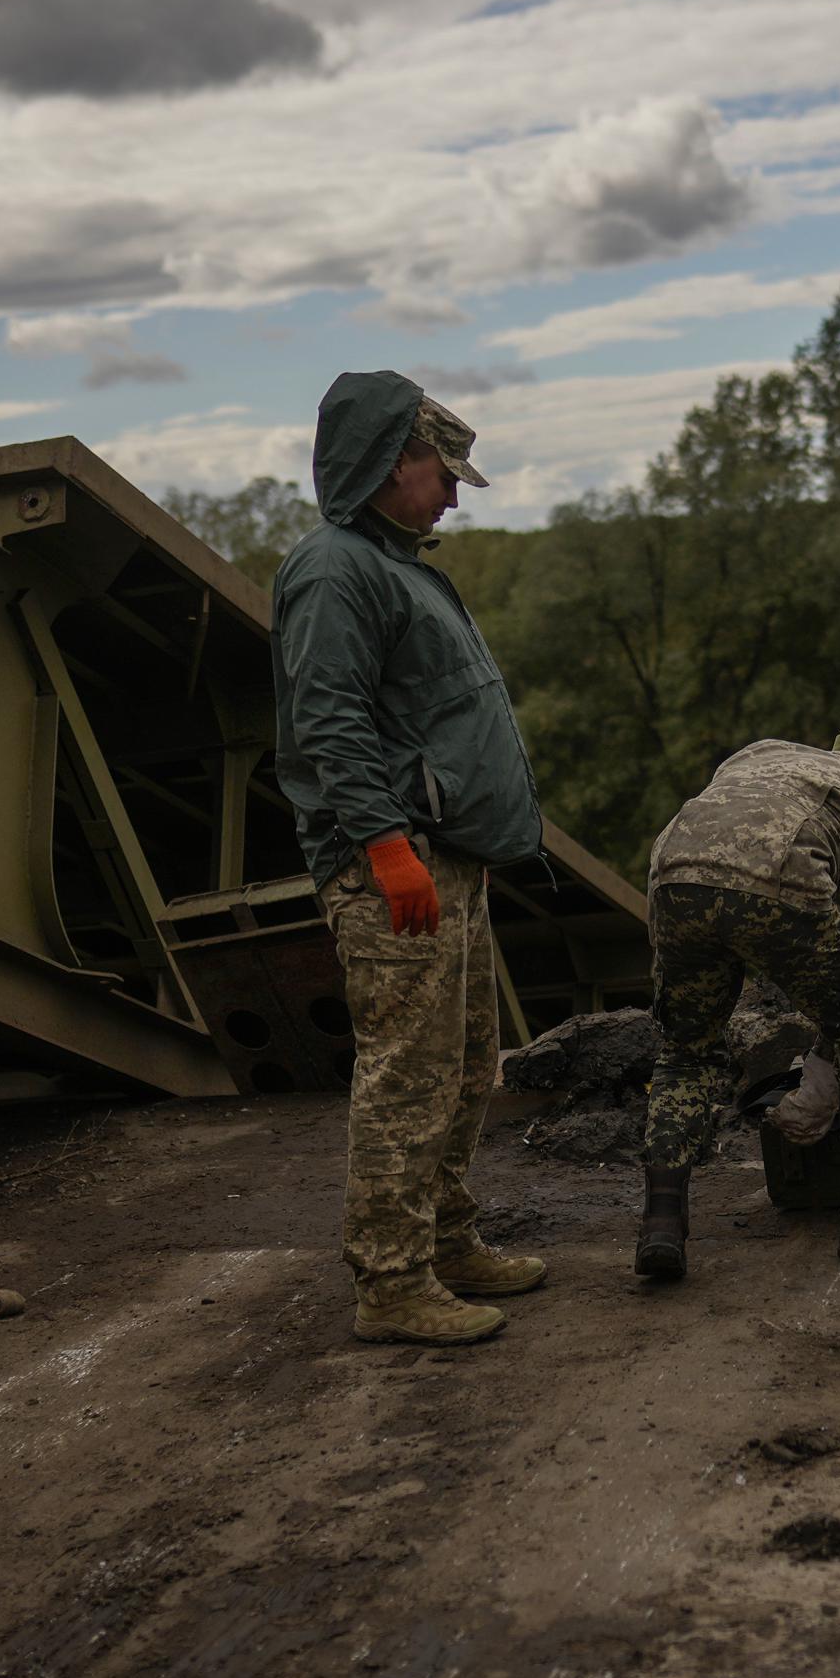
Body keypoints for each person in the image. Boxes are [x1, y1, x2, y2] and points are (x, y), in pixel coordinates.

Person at [272, 372, 548, 1346]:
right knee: (409, 1073)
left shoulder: (395, 564)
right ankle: (390, 1278)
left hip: (446, 862)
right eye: (444, 470)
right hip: (394, 867)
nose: (456, 492)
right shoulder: (334, 568)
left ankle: (444, 1239)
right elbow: (330, 718)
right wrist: (387, 846)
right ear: (393, 460)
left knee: (467, 1065)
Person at [636, 721, 840, 1277]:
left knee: (686, 1050)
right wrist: (834, 1040)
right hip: (778, 876)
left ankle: (661, 1224)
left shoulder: (762, 753)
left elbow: (720, 826)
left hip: (672, 875)